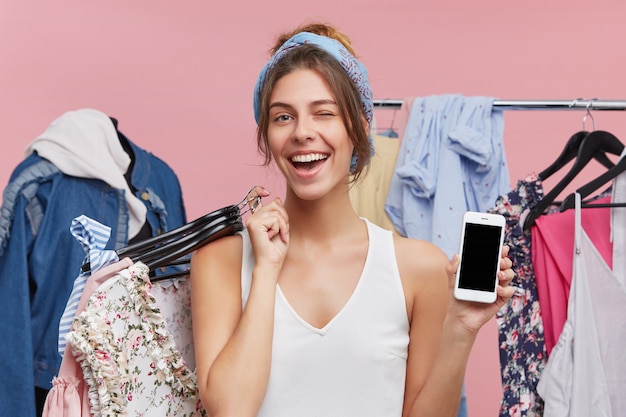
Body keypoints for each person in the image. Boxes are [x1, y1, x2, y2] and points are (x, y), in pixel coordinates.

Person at [190, 22, 515, 417]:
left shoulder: (418, 268)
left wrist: (461, 330)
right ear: (267, 133)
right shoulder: (219, 261)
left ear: (360, 126)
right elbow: (230, 410)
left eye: (323, 113)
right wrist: (266, 272)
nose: (302, 133)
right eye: (282, 117)